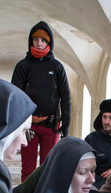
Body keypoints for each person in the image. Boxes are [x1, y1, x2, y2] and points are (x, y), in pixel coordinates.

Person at [12, 20, 71, 182]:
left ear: (49, 43)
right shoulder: (23, 66)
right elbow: (15, 96)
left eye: (43, 40)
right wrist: (15, 125)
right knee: (28, 170)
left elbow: (66, 96)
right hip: (28, 126)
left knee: (49, 168)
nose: (39, 43)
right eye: (36, 39)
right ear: (31, 41)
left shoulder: (57, 67)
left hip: (51, 126)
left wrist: (66, 124)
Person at [85, 98, 111, 189]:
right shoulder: (91, 139)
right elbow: (85, 168)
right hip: (96, 184)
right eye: (104, 117)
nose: (106, 122)